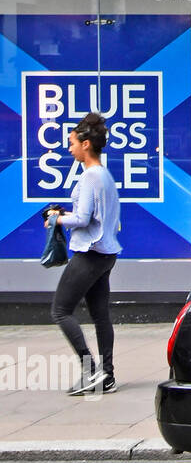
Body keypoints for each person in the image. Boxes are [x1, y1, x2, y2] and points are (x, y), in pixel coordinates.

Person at [46, 112, 121, 396]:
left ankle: (91, 371)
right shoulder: (105, 175)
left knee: (60, 310)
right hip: (106, 252)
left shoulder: (91, 176)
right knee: (101, 315)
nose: (69, 148)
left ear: (86, 144)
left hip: (89, 253)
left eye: (72, 143)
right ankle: (107, 376)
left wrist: (55, 218)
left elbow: (83, 218)